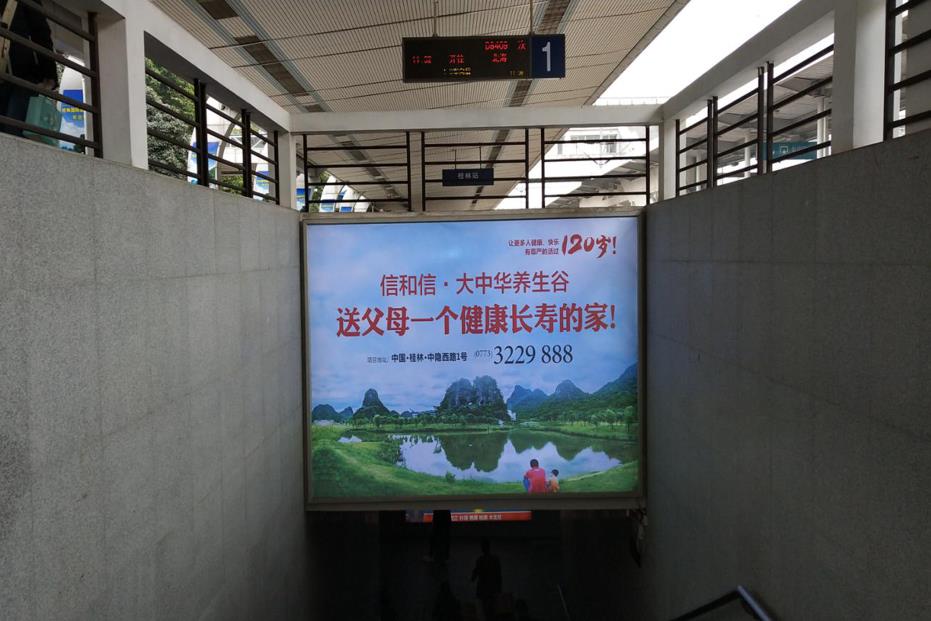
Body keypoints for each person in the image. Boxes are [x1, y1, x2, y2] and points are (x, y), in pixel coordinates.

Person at [0, 0, 59, 137]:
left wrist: (50, 75)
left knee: (12, 129)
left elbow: (41, 34)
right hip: (11, 74)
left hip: (24, 76)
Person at [471, 539, 501, 621]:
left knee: (486, 609)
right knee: (491, 609)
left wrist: (473, 578)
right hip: (491, 588)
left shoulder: (480, 560)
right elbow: (499, 575)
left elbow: (475, 573)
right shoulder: (494, 559)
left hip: (484, 589)